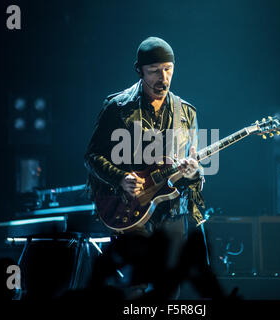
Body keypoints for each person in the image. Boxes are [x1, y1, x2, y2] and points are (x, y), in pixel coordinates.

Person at [84, 36, 206, 298]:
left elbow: (196, 173)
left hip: (172, 209)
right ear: (139, 71)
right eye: (154, 71)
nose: (163, 78)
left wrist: (194, 172)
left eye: (168, 69)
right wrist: (120, 178)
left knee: (169, 288)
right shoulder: (117, 107)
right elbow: (92, 156)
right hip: (130, 207)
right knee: (133, 286)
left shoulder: (187, 113)